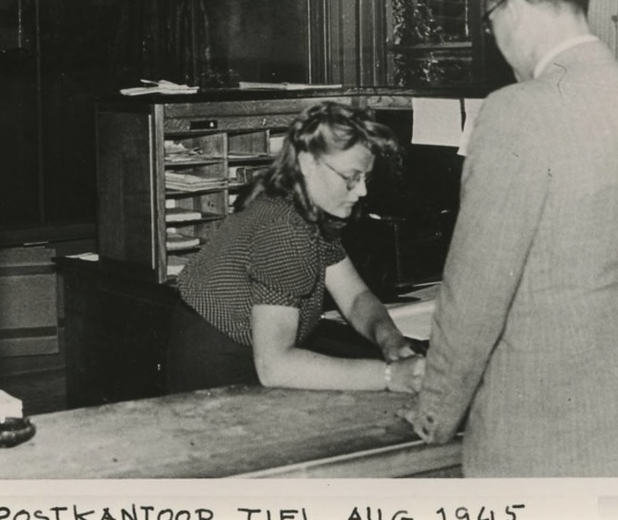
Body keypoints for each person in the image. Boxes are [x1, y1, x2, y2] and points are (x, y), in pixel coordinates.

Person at [401, 0, 618, 476]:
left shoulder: (514, 112)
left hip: (542, 438)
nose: (495, 38)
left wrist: (435, 412)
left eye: (490, 21)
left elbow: (477, 288)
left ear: (513, 8)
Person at [165, 101, 426, 394]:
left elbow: (355, 297)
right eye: (351, 177)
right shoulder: (285, 229)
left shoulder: (306, 207)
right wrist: (390, 376)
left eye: (365, 178)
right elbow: (275, 367)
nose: (362, 191)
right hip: (221, 363)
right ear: (308, 163)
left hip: (244, 352)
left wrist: (391, 341)